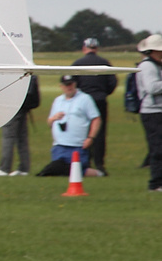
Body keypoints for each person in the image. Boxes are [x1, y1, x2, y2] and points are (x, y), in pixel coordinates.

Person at [72, 37, 117, 176]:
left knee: (84, 132)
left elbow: (73, 83)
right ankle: (100, 164)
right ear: (96, 48)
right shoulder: (105, 63)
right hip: (100, 100)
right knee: (100, 133)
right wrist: (103, 93)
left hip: (83, 102)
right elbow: (112, 82)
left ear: (84, 48)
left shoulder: (78, 63)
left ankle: (86, 162)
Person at [47, 74, 101, 173]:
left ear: (75, 84)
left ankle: (98, 174)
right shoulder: (58, 100)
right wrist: (55, 118)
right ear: (61, 86)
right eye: (66, 85)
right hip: (60, 146)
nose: (69, 87)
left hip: (77, 145)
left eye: (71, 84)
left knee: (74, 171)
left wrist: (90, 138)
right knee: (57, 169)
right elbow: (49, 122)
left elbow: (96, 119)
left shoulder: (85, 99)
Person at [0, 75, 40, 176]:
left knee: (8, 136)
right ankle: (24, 168)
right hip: (23, 106)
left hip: (13, 105)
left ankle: (4, 168)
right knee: (22, 138)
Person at [136, 34, 162, 193]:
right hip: (152, 113)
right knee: (157, 148)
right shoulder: (147, 66)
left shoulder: (158, 65)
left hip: (159, 111)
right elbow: (151, 87)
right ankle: (155, 183)